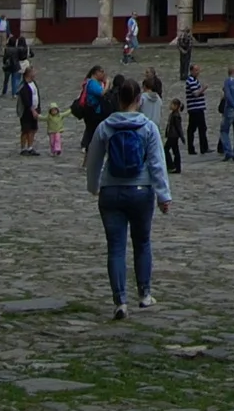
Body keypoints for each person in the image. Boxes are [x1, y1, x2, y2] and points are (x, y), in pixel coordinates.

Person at [85, 75, 172, 319]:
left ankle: (120, 301)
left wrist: (94, 186)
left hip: (111, 191)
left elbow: (93, 160)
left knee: (115, 247)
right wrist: (164, 195)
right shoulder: (148, 127)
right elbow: (157, 163)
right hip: (141, 190)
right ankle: (144, 294)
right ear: (138, 99)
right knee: (142, 242)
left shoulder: (106, 126)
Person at [180, 67, 209, 159]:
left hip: (199, 108)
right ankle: (192, 148)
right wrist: (203, 88)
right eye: (196, 70)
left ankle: (204, 147)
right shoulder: (190, 81)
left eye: (198, 70)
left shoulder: (195, 80)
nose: (198, 72)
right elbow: (195, 93)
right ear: (191, 71)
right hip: (194, 108)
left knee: (202, 128)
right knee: (192, 129)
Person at [16, 65, 43, 156]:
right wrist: (33, 110)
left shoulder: (33, 83)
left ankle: (30, 147)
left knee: (33, 129)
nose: (35, 74)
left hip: (35, 109)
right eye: (33, 72)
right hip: (26, 112)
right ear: (29, 74)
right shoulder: (23, 86)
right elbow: (26, 101)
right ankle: (23, 148)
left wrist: (38, 109)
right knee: (25, 130)